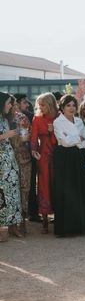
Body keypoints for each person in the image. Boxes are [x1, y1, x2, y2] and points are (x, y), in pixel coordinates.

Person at [52, 95, 85, 236]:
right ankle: (68, 228)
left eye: (73, 105)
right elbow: (64, 142)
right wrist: (79, 139)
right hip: (65, 160)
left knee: (82, 190)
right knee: (68, 191)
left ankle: (82, 226)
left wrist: (74, 139)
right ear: (62, 107)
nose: (71, 108)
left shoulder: (78, 121)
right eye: (68, 105)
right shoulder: (57, 122)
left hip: (80, 158)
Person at [30, 92, 58, 234]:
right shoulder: (37, 118)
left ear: (50, 104)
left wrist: (52, 132)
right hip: (43, 156)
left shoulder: (59, 117)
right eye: (39, 104)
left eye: (43, 104)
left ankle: (60, 217)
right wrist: (34, 150)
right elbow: (34, 138)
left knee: (58, 184)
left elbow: (58, 140)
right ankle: (45, 220)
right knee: (43, 185)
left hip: (58, 155)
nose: (40, 107)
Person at [0, 93, 23, 242]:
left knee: (13, 192)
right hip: (1, 163)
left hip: (9, 161)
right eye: (8, 103)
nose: (10, 105)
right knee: (2, 194)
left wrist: (18, 130)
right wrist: (6, 135)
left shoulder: (5, 118)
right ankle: (2, 228)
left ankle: (14, 225)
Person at [10, 96, 32, 234]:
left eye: (14, 104)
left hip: (22, 157)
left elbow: (27, 136)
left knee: (24, 188)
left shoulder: (21, 117)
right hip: (6, 158)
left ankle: (22, 220)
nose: (13, 107)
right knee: (9, 190)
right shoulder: (2, 118)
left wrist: (25, 136)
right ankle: (10, 223)